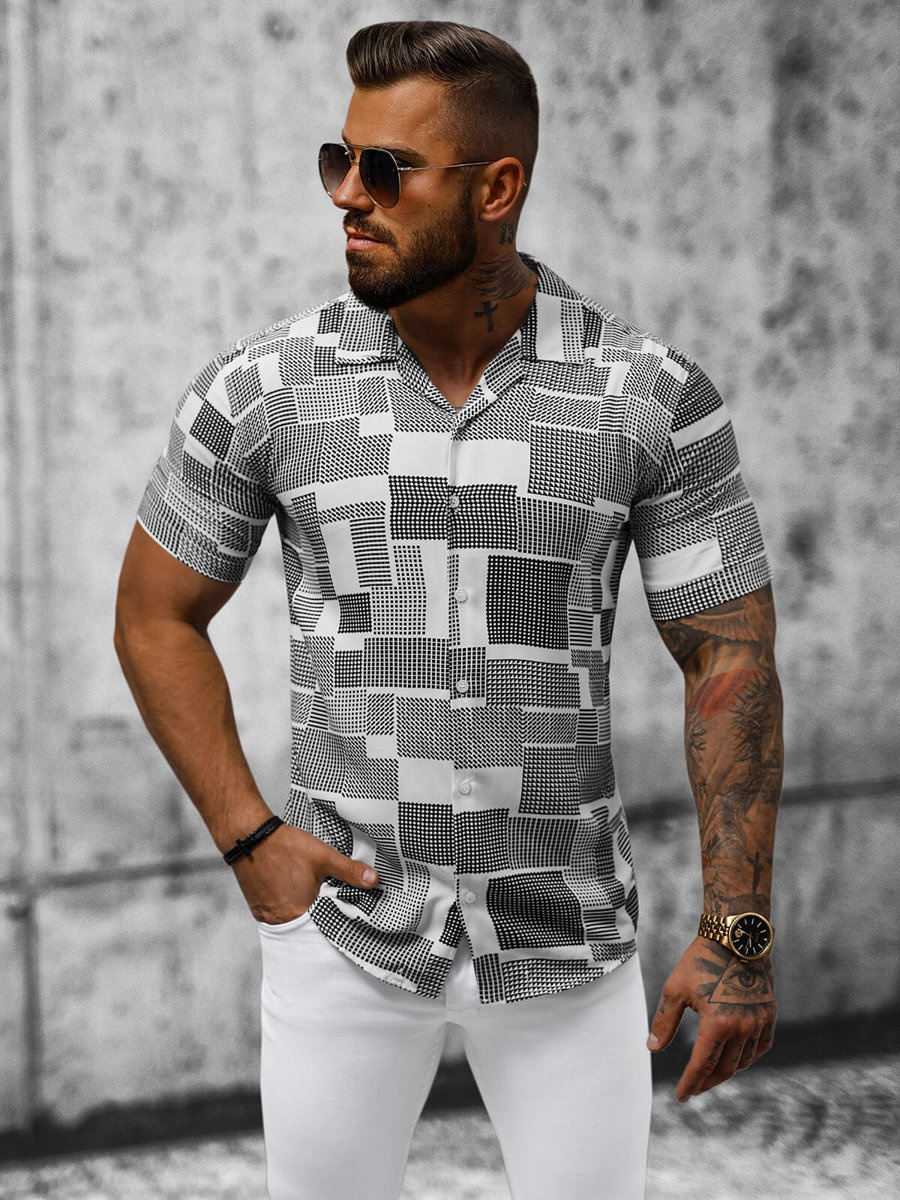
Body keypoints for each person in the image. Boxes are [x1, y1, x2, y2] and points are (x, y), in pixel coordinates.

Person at [114, 19, 783, 1200]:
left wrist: (739, 933)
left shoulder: (650, 398)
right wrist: (253, 842)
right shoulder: (263, 389)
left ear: (496, 188)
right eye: (339, 160)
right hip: (345, 937)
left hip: (568, 942)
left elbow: (727, 653)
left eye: (386, 169)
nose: (347, 196)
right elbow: (155, 615)